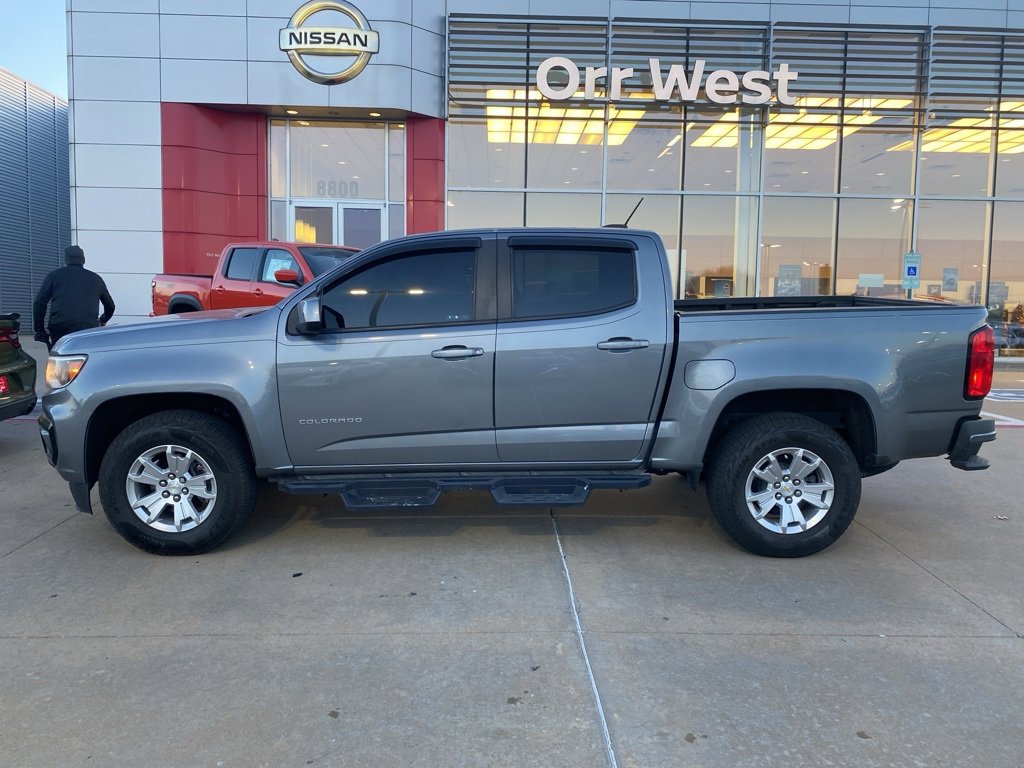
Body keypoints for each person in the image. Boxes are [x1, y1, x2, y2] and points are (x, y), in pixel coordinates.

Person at [33, 245, 116, 349]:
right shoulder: (96, 279)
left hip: (60, 328)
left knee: (60, 360)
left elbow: (39, 303)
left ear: (66, 260)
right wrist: (102, 320)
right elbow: (110, 306)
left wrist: (39, 330)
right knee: (86, 358)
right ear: (83, 260)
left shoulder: (54, 276)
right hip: (87, 328)